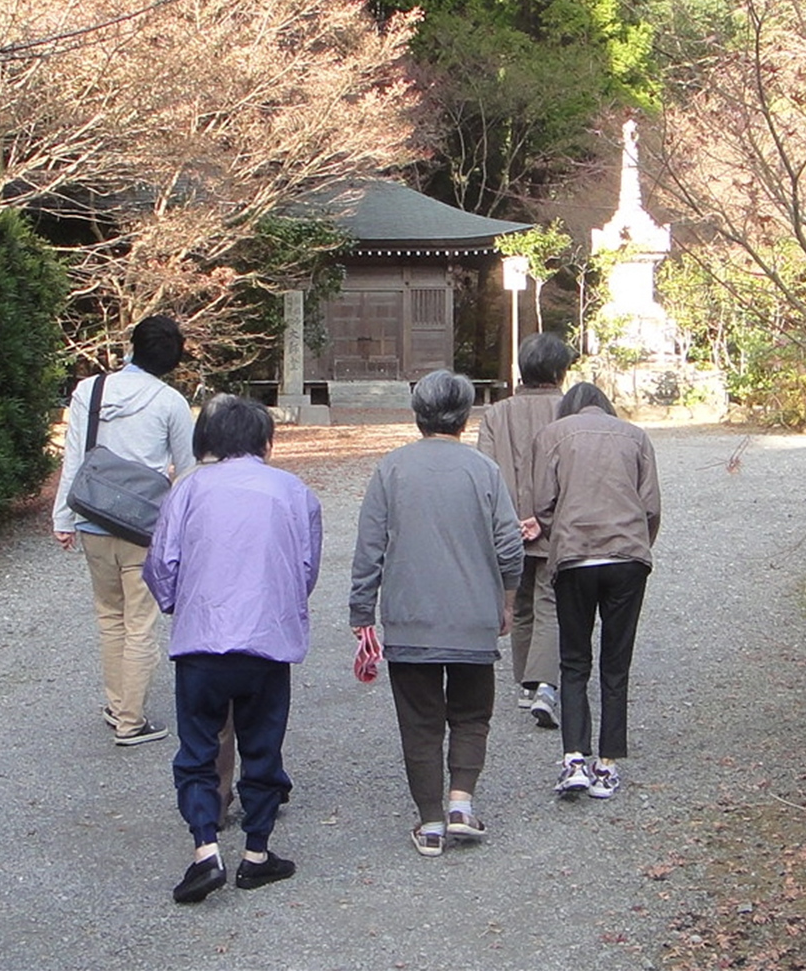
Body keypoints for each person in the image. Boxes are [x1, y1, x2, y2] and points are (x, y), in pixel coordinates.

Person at [140, 395, 322, 904]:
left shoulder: (188, 489)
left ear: (211, 440)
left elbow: (161, 564)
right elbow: (306, 569)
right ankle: (257, 853)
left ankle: (205, 848)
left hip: (202, 640)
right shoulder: (293, 491)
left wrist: (180, 604)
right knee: (262, 745)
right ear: (266, 441)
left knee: (198, 749)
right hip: (267, 640)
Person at [351, 370, 523, 856]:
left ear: (418, 415)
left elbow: (370, 549)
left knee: (419, 721)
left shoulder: (391, 469)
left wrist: (362, 611)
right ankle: (461, 804)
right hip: (473, 618)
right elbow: (509, 545)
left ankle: (429, 821)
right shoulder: (483, 471)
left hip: (410, 619)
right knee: (471, 714)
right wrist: (507, 598)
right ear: (466, 417)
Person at [52, 314, 196, 746]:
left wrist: (63, 518)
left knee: (109, 617)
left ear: (131, 347)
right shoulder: (170, 402)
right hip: (143, 527)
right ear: (171, 362)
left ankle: (117, 705)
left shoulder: (89, 390)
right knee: (140, 622)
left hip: (93, 517)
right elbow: (187, 471)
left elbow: (74, 459)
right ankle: (131, 721)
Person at [530, 382, 660, 801]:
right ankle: (609, 764)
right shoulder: (636, 436)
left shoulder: (553, 435)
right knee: (616, 664)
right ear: (606, 407)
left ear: (569, 408)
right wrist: (638, 544)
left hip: (575, 558)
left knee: (574, 661)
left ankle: (574, 760)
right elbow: (651, 506)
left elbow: (543, 503)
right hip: (627, 559)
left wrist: (560, 535)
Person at [474, 333, 577, 728]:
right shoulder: (570, 410)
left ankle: (525, 683)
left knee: (518, 604)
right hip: (556, 521)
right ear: (559, 370)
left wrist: (505, 519)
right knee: (551, 599)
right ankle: (544, 684)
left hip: (508, 524)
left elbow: (486, 469)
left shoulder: (496, 414)